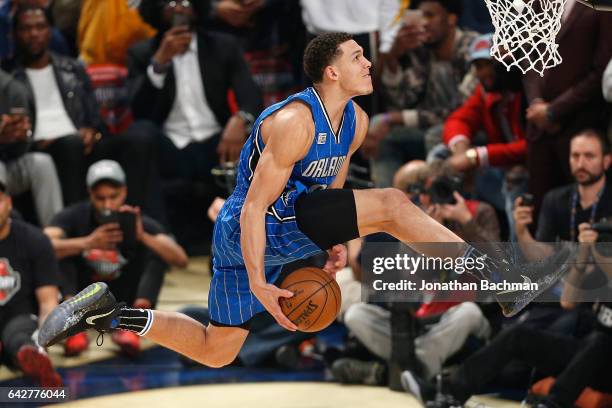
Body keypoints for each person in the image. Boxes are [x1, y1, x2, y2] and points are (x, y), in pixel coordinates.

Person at [38, 33, 571, 368]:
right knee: (390, 201)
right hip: (254, 224)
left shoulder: (356, 122)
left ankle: (113, 314)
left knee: (217, 350)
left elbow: (329, 192)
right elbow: (251, 208)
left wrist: (336, 242)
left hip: (288, 222)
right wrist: (256, 281)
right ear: (331, 71)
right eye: (358, 56)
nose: (369, 62)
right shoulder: (294, 121)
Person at [43, 160, 187, 356]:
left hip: (123, 299)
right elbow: (41, 246)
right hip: (83, 297)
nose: (107, 205)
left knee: (157, 253)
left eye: (113, 197)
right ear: (90, 194)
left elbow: (180, 259)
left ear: (125, 192)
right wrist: (86, 243)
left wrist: (142, 236)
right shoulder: (75, 215)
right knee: (62, 253)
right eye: (100, 198)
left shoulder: (136, 220)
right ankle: (72, 322)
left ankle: (134, 322)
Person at [0, 167, 62, 387]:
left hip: (22, 320)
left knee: (18, 338)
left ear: (9, 202)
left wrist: (43, 340)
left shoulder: (35, 240)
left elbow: (48, 302)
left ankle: (34, 360)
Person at [0, 67, 63, 226]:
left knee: (41, 163)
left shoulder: (12, 89)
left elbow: (23, 146)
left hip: (7, 164)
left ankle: (54, 234)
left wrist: (17, 137)